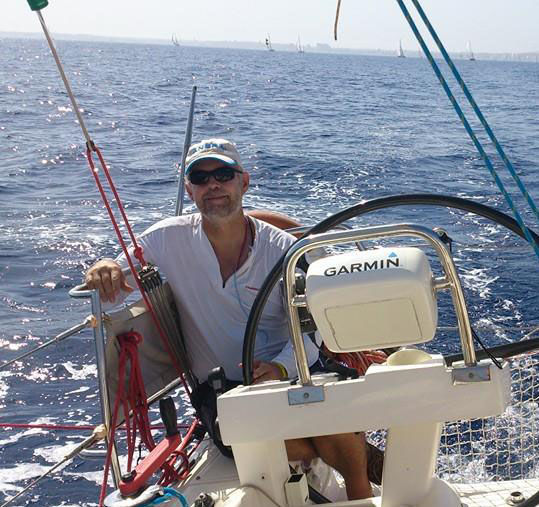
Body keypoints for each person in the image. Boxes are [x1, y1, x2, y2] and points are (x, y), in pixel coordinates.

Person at [84, 138, 373, 500]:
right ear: (189, 190)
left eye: (223, 174)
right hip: (222, 392)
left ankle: (363, 497)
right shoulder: (165, 239)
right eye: (201, 178)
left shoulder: (282, 248)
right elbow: (117, 274)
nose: (213, 184)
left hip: (290, 373)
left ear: (244, 182)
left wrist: (282, 368)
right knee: (287, 436)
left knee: (329, 418)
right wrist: (103, 266)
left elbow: (313, 328)